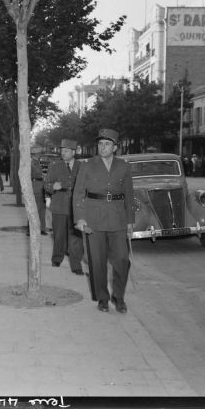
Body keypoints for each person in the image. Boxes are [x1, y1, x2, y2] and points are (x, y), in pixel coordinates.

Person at [73, 128, 135, 313]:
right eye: (100, 143)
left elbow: (129, 196)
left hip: (117, 219)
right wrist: (80, 218)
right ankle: (102, 297)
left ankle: (118, 296)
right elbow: (78, 194)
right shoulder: (87, 165)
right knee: (97, 262)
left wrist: (130, 221)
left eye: (107, 144)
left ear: (115, 147)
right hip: (94, 219)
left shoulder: (124, 166)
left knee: (122, 260)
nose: (103, 147)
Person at [44, 139, 84, 275]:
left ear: (74, 152)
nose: (63, 153)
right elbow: (46, 184)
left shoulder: (81, 166)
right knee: (59, 235)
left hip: (76, 207)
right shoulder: (55, 166)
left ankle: (76, 264)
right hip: (59, 204)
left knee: (76, 237)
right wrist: (52, 187)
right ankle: (57, 258)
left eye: (66, 151)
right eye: (62, 151)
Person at [28, 146, 47, 235]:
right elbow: (32, 175)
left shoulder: (36, 162)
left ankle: (41, 228)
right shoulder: (31, 163)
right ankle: (31, 229)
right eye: (39, 153)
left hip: (39, 187)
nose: (40, 155)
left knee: (41, 209)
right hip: (35, 188)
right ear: (36, 154)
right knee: (34, 209)